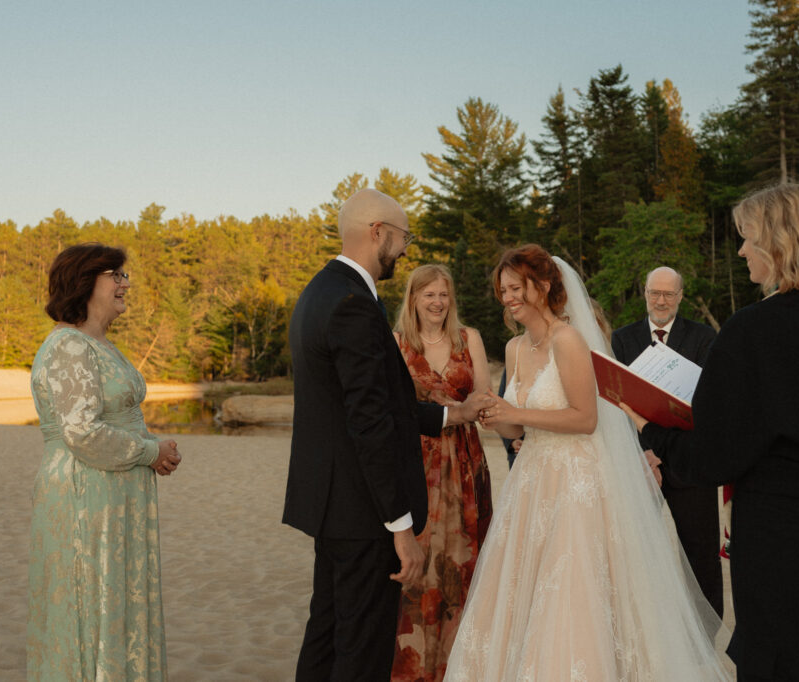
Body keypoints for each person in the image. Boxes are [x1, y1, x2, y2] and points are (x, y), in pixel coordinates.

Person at [619, 183, 799, 681]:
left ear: (778, 243)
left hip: (777, 545)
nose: (741, 249)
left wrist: (647, 427)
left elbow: (709, 459)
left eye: (748, 237)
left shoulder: (749, 329)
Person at [444, 244, 732, 680]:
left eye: (515, 288)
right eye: (502, 290)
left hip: (576, 481)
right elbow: (516, 429)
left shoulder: (569, 339)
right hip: (532, 483)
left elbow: (585, 417)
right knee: (524, 591)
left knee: (573, 592)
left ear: (542, 287)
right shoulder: (516, 347)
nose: (507, 298)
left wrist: (516, 413)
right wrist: (493, 415)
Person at [283, 188, 492, 681]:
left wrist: (450, 416)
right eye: (402, 237)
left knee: (327, 633)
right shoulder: (355, 303)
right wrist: (401, 529)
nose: (404, 249)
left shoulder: (319, 292)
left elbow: (379, 403)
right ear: (377, 232)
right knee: (363, 648)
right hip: (363, 511)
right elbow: (369, 421)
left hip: (331, 505)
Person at [28, 243, 182, 681]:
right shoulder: (69, 347)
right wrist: (150, 452)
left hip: (114, 493)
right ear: (84, 282)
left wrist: (154, 444)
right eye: (114, 274)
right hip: (85, 497)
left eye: (123, 275)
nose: (125, 283)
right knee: (90, 606)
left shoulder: (100, 345)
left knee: (116, 605)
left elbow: (115, 417)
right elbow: (81, 433)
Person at [390, 264, 494, 681]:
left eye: (444, 295)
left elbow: (484, 397)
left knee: (465, 567)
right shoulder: (396, 344)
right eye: (428, 294)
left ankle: (461, 670)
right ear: (413, 298)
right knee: (420, 569)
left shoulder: (469, 339)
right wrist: (456, 412)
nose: (437, 302)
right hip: (417, 465)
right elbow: (395, 412)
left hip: (467, 466)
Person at [611, 266, 724, 620]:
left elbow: (708, 402)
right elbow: (615, 403)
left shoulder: (705, 338)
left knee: (700, 553)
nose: (661, 301)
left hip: (689, 462)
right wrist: (644, 452)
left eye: (669, 294)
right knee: (634, 552)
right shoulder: (622, 339)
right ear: (644, 293)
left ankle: (707, 630)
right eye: (654, 293)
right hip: (639, 463)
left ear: (680, 296)